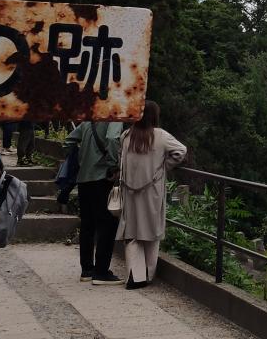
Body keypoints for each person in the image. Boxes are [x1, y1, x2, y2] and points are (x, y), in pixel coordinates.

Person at [116, 101, 186, 289]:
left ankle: (134, 275)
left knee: (131, 232)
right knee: (152, 232)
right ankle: (148, 273)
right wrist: (165, 166)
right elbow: (181, 151)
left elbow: (120, 158)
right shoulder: (160, 136)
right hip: (151, 191)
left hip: (129, 191)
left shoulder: (126, 136)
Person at [64, 120, 125, 285]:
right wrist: (113, 165)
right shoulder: (114, 118)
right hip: (102, 178)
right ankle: (101, 272)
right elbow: (112, 138)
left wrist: (81, 158)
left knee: (87, 224)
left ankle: (87, 270)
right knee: (108, 224)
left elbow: (68, 141)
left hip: (83, 179)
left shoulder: (87, 121)